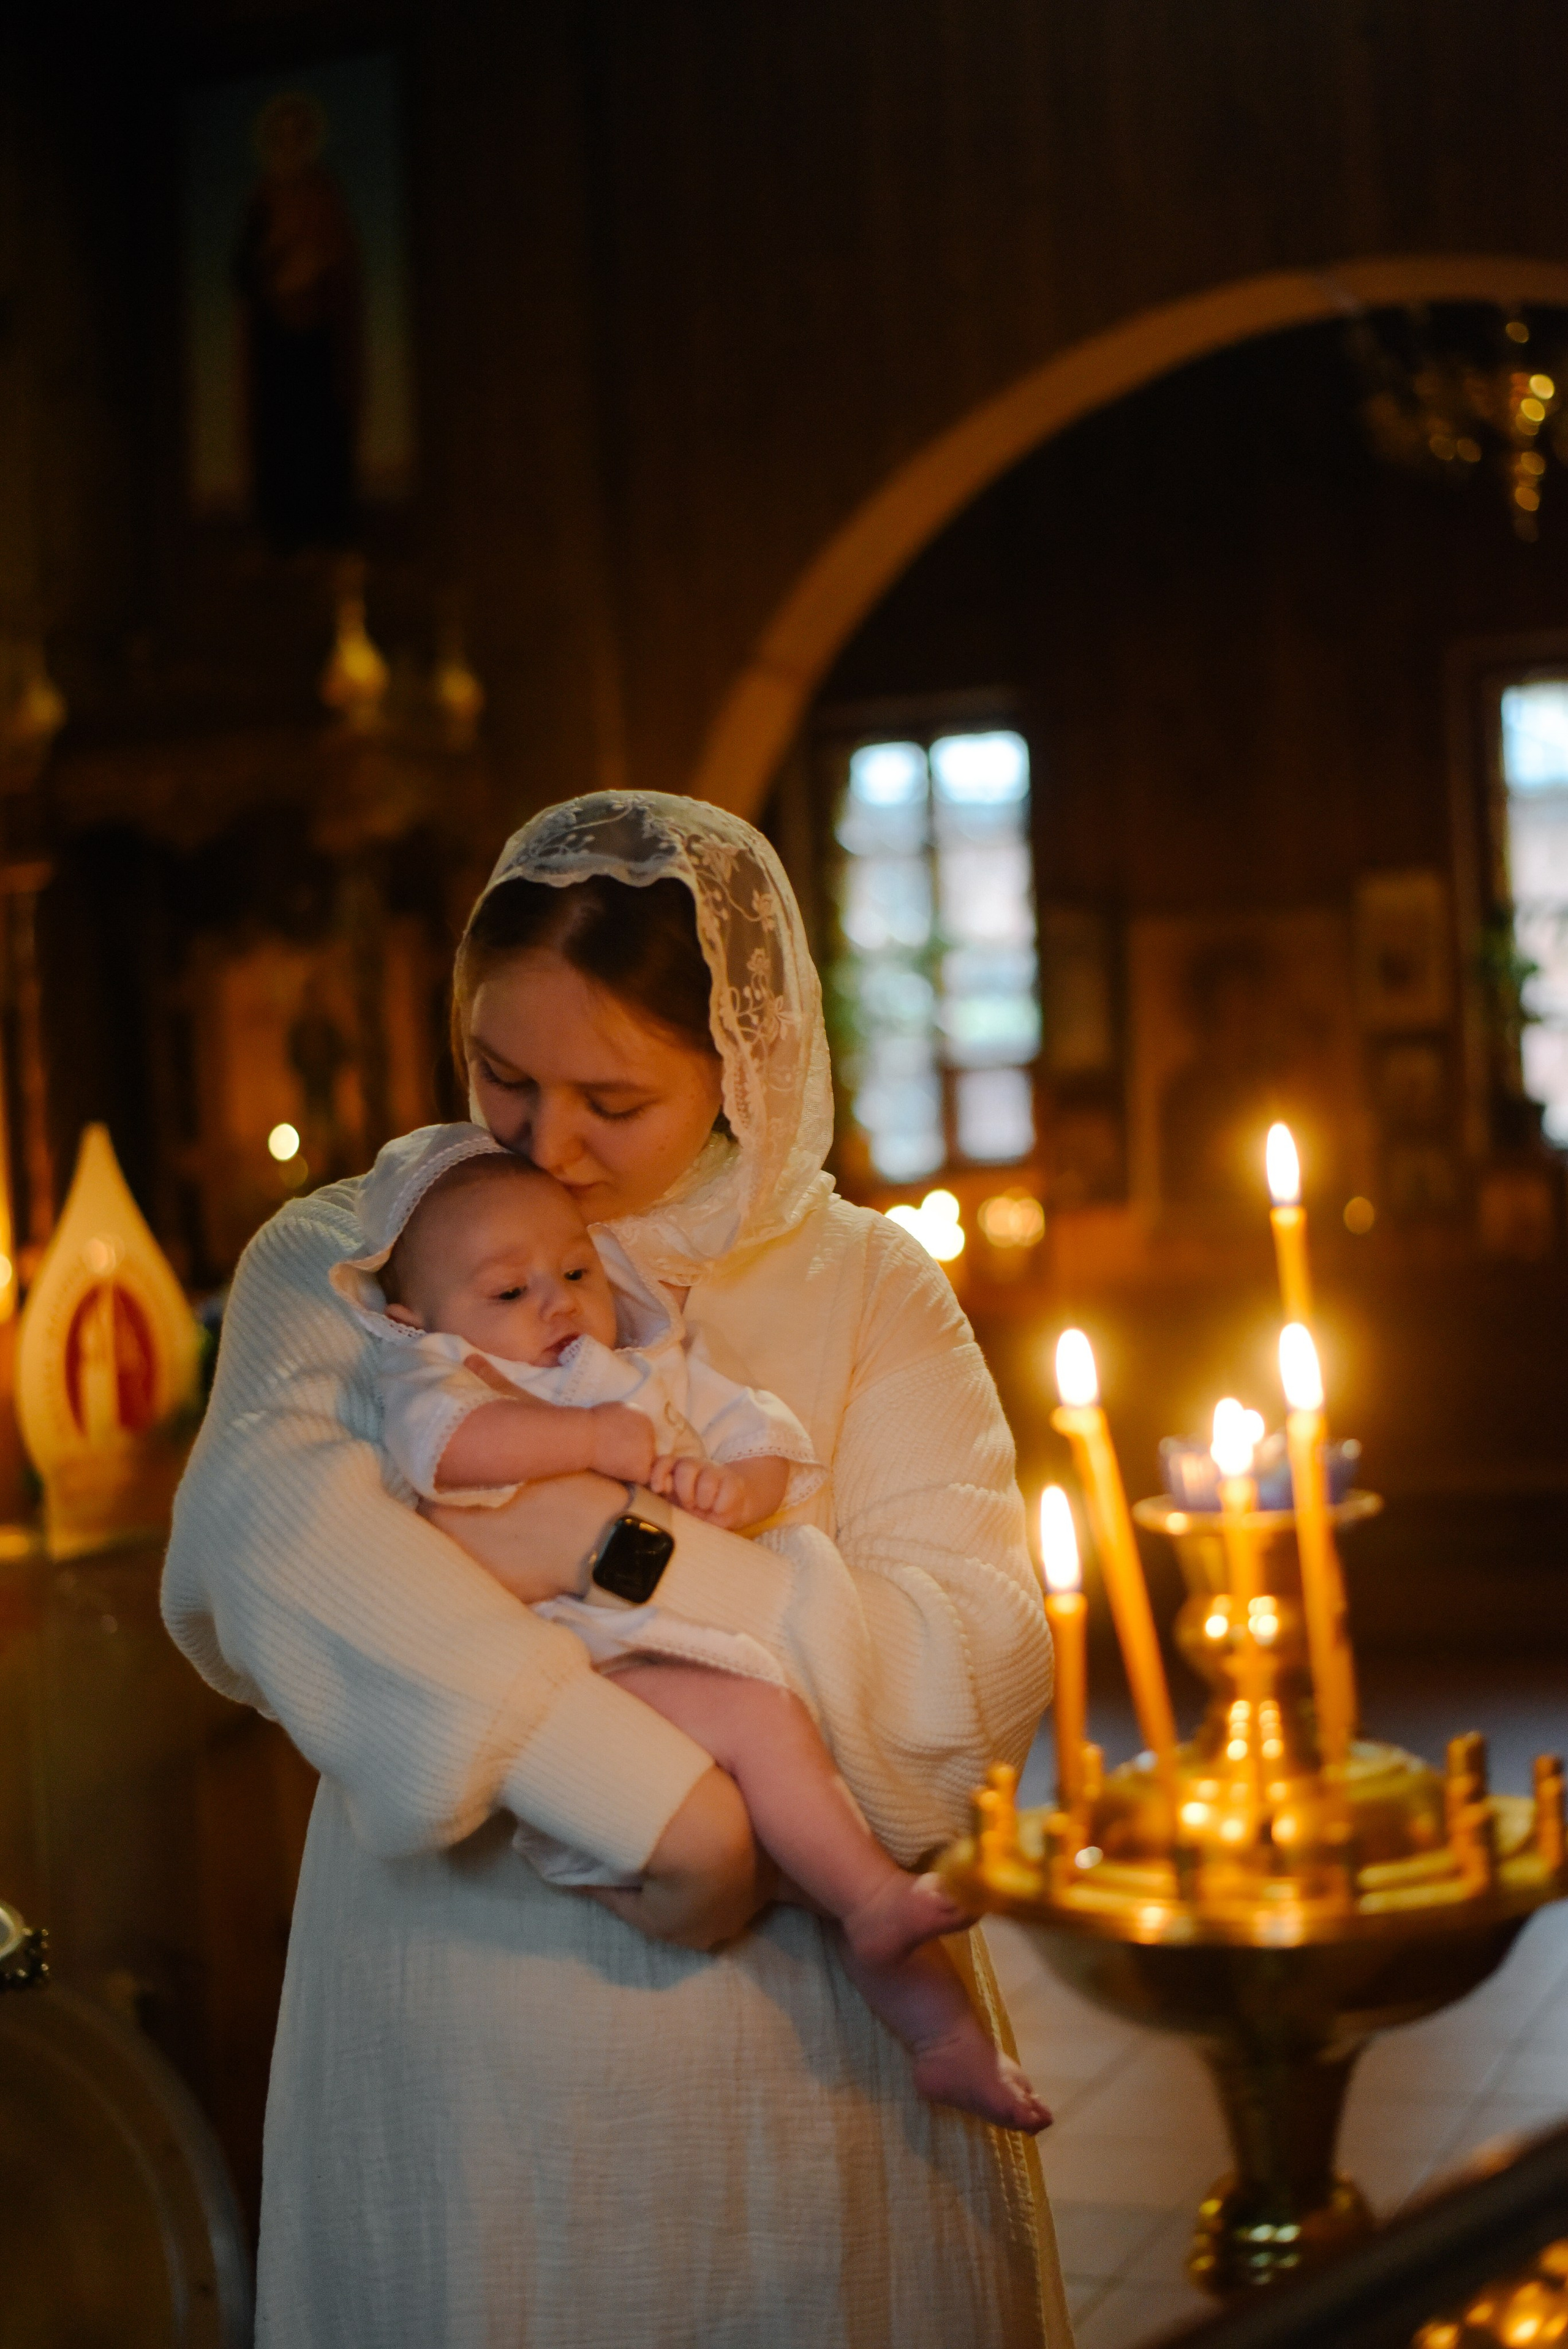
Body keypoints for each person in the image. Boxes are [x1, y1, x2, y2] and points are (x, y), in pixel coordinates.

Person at [164, 791, 1073, 2347]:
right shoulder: (354, 1257)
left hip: (807, 2081)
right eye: (500, 1076)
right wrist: (657, 1811)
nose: (547, 1149)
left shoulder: (865, 1287)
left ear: (741, 1072)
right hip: (460, 2060)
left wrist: (623, 1553)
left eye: (613, 1098)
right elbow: (273, 1555)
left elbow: (964, 1686)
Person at [334, 1125, 1053, 2130]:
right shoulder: (443, 1379)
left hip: (654, 1653)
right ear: (418, 1322)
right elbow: (446, 1454)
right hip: (568, 1685)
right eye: (509, 1291)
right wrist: (586, 1442)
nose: (555, 1301)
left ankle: (937, 2029)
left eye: (575, 1268)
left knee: (806, 1808)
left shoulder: (643, 1360)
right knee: (775, 1760)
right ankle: (885, 1925)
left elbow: (760, 1431)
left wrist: (729, 1486)